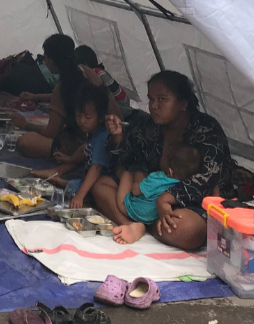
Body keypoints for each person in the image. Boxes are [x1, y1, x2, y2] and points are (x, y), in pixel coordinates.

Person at [90, 70, 233, 250]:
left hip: (187, 204)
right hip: (149, 196)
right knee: (101, 185)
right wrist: (118, 137)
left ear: (182, 104)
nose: (154, 106)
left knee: (190, 230)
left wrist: (167, 199)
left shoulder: (207, 129)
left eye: (162, 99)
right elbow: (126, 161)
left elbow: (208, 178)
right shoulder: (149, 126)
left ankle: (142, 223)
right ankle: (129, 224)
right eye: (151, 99)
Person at [11, 34, 85, 160]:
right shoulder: (83, 72)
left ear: (51, 60)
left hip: (80, 147)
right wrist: (36, 97)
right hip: (100, 141)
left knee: (25, 142)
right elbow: (62, 97)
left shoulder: (63, 86)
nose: (44, 58)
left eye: (45, 56)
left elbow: (51, 133)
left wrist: (24, 125)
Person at [39, 83, 111, 208]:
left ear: (100, 118)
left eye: (87, 117)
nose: (82, 121)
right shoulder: (92, 133)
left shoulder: (102, 137)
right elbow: (85, 149)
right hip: (89, 177)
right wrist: (70, 158)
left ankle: (61, 182)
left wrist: (79, 197)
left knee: (75, 189)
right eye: (78, 116)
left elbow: (96, 169)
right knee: (76, 185)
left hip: (102, 182)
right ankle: (62, 180)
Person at [115, 146, 201, 244]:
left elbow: (136, 191)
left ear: (170, 170)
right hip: (153, 218)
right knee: (140, 175)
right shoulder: (181, 186)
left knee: (127, 174)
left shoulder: (156, 178)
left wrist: (136, 184)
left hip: (133, 211)